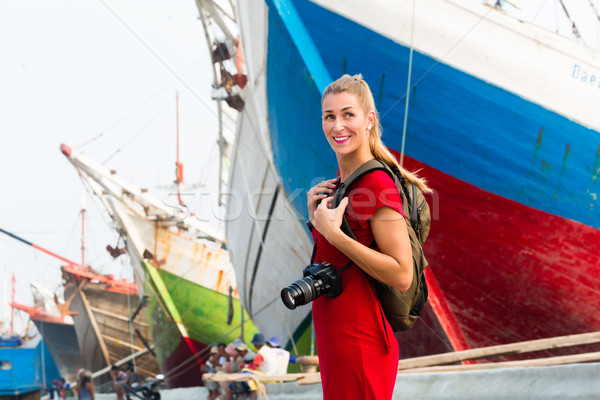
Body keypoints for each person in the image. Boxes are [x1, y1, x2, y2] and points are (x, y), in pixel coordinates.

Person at [307, 73, 430, 400]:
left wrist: (336, 235)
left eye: (348, 114)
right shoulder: (342, 182)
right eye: (329, 116)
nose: (337, 126)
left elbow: (402, 274)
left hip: (360, 341)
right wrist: (316, 222)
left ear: (370, 119)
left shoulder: (376, 184)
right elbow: (341, 262)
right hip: (337, 338)